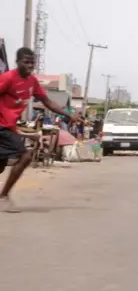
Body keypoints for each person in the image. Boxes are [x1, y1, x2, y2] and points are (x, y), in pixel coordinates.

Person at [0, 47, 84, 212]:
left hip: (9, 127)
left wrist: (69, 113)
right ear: (17, 62)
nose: (30, 65)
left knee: (1, 165)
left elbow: (47, 102)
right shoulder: (8, 78)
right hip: (1, 127)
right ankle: (3, 197)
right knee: (26, 156)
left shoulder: (32, 82)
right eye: (26, 62)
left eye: (32, 62)